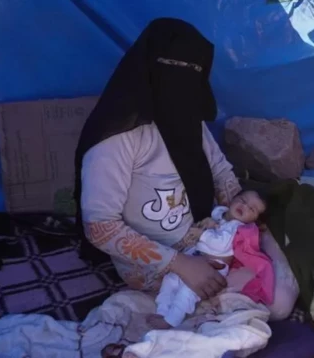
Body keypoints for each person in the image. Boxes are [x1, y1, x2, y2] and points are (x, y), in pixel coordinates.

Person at [74, 18, 298, 320]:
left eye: (194, 71)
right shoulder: (119, 138)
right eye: (172, 68)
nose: (183, 82)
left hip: (211, 237)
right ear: (148, 69)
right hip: (157, 264)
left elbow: (221, 173)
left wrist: (246, 223)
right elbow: (100, 226)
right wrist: (181, 263)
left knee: (279, 290)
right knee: (276, 304)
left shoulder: (190, 123)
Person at [149, 190, 267, 328]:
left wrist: (203, 234)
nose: (244, 206)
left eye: (251, 209)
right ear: (233, 199)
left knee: (187, 291)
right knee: (170, 279)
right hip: (196, 258)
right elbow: (216, 215)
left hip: (214, 267)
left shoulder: (238, 228)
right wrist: (211, 221)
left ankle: (171, 320)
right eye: (242, 200)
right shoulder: (221, 214)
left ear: (254, 220)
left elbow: (221, 244)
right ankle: (162, 311)